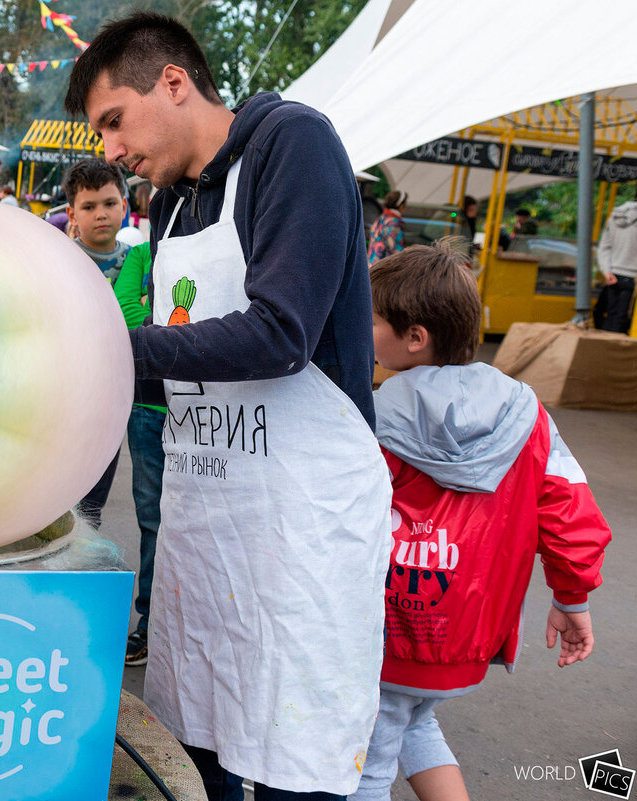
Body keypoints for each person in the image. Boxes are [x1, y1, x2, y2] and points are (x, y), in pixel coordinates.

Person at [66, 12, 392, 800]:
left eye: (113, 121)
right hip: (207, 544)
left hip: (299, 536)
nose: (109, 151)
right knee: (194, 766)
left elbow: (281, 332)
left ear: (173, 82)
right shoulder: (169, 205)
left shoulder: (293, 144)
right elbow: (178, 370)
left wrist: (102, 346)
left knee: (291, 772)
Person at [354, 241, 611, 801]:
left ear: (415, 337)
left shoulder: (372, 416)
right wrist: (573, 601)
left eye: (369, 318)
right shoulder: (529, 415)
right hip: (466, 636)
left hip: (384, 631)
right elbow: (571, 512)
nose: (359, 327)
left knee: (363, 764)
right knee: (416, 722)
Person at [64, 158, 131, 529]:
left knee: (91, 507)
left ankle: (83, 573)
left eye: (109, 203)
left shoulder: (137, 263)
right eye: (89, 207)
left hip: (111, 404)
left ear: (125, 203)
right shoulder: (59, 258)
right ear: (72, 212)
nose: (101, 214)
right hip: (64, 398)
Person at [110, 239, 166, 667]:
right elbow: (124, 311)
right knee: (152, 520)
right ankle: (149, 623)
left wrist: (159, 326)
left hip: (206, 414)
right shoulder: (141, 255)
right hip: (149, 409)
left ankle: (180, 626)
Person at [594, 199, 637, 333]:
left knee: (607, 314)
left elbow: (604, 247)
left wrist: (607, 272)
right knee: (622, 318)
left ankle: (603, 348)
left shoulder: (614, 216)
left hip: (612, 276)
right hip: (632, 278)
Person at [367, 190, 407, 265]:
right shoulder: (394, 223)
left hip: (372, 266)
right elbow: (397, 253)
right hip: (384, 270)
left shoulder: (380, 219)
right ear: (401, 206)